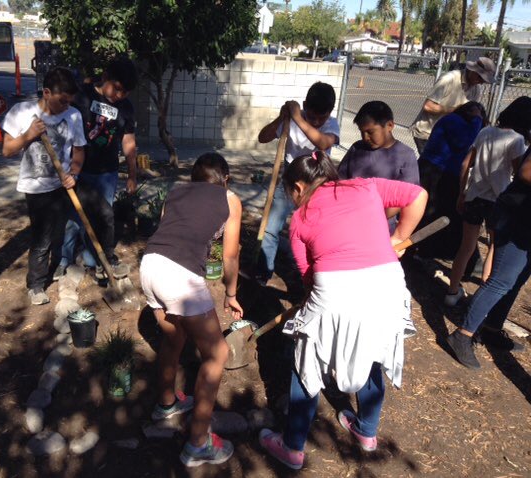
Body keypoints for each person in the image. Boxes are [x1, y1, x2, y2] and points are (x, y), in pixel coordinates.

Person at [258, 152, 427, 470]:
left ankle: (292, 446)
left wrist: (321, 313)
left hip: (335, 290)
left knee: (306, 364)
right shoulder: (367, 187)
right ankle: (366, 432)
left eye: (290, 194)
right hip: (387, 287)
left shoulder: (300, 219)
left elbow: (309, 280)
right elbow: (418, 195)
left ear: (298, 187)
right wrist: (397, 238)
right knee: (371, 348)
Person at [139, 153, 243, 467]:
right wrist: (231, 293)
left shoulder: (176, 191)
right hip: (178, 276)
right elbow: (230, 256)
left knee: (174, 339)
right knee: (217, 354)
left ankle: (167, 403)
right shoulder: (230, 198)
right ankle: (198, 443)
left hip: (149, 265)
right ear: (224, 177)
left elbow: (170, 232)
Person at [2, 67, 87, 305]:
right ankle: (36, 285)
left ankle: (58, 266)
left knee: (62, 230)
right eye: (62, 101)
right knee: (42, 238)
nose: (66, 106)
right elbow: (7, 150)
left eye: (70, 101)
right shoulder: (22, 112)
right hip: (36, 188)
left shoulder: (73, 116)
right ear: (47, 92)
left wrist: (74, 173)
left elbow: (79, 149)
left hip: (63, 185)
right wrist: (28, 135)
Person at [446, 146, 531, 369]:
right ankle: (462, 335)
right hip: (517, 219)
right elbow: (526, 171)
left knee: (516, 281)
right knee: (501, 280)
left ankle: (491, 328)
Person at [54, 56, 138, 280]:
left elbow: (128, 142)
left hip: (107, 173)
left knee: (102, 217)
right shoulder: (82, 95)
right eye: (118, 89)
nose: (120, 96)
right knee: (73, 217)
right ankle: (64, 259)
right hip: (77, 170)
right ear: (105, 78)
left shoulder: (126, 108)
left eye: (126, 92)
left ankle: (96, 259)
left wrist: (132, 175)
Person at [444, 96, 531, 307]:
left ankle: (452, 292)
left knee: (466, 247)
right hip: (498, 200)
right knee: (494, 248)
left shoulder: (485, 132)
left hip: (474, 195)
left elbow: (466, 163)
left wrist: (462, 192)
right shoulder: (516, 140)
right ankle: (481, 298)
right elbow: (520, 172)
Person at [256, 82, 340, 284]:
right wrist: (282, 117)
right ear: (304, 105)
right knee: (270, 227)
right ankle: (263, 272)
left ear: (329, 113)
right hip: (288, 182)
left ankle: (309, 276)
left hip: (317, 184)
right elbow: (263, 137)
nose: (318, 121)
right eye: (312, 116)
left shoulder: (332, 124)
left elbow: (322, 142)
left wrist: (298, 118)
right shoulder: (292, 120)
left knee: (312, 232)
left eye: (322, 117)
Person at [415, 101, 486, 258]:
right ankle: (421, 250)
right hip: (435, 170)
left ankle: (432, 249)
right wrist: (477, 120)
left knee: (443, 212)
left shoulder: (459, 122)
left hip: (446, 172)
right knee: (430, 211)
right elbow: (462, 142)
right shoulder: (454, 121)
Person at [411, 57, 496, 154]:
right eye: (480, 78)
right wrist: (456, 110)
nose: (481, 82)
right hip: (427, 133)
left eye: (484, 81)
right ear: (473, 71)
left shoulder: (475, 89)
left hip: (448, 136)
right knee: (433, 166)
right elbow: (428, 106)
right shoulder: (449, 79)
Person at [338, 101, 419, 184]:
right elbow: (340, 179)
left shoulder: (406, 155)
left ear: (389, 126)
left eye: (371, 132)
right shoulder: (356, 148)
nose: (365, 138)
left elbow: (410, 193)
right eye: (362, 132)